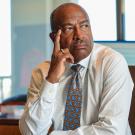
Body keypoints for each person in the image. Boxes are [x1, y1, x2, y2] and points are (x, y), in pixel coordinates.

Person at [19, 3, 134, 135]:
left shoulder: (112, 63)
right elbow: (30, 132)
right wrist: (51, 80)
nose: (79, 35)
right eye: (69, 28)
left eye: (84, 26)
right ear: (54, 37)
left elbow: (113, 131)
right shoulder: (42, 72)